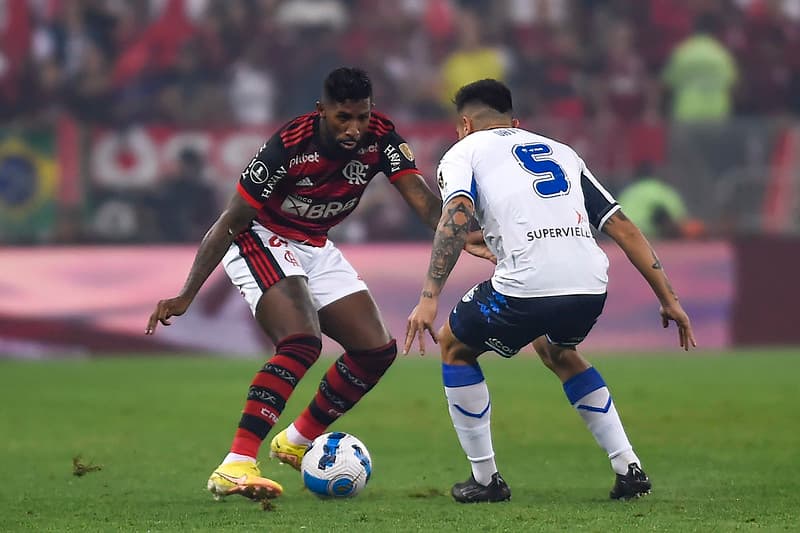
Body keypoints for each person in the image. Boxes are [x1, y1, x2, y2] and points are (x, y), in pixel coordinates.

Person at [145, 67, 491, 501]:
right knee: (301, 342)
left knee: (376, 350)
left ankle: (296, 440)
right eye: (343, 117)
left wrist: (462, 234)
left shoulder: (381, 137)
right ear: (321, 111)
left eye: (362, 117)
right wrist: (186, 294)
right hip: (260, 237)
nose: (354, 129)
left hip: (314, 244)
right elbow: (230, 221)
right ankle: (236, 464)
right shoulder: (288, 146)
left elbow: (420, 198)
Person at [404, 79, 696, 503]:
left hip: (527, 284)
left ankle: (485, 480)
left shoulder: (461, 152)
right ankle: (629, 468)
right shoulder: (562, 151)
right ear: (515, 123)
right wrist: (669, 299)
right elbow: (622, 226)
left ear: (464, 124)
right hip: (590, 284)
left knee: (454, 345)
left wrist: (429, 298)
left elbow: (457, 212)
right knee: (558, 351)